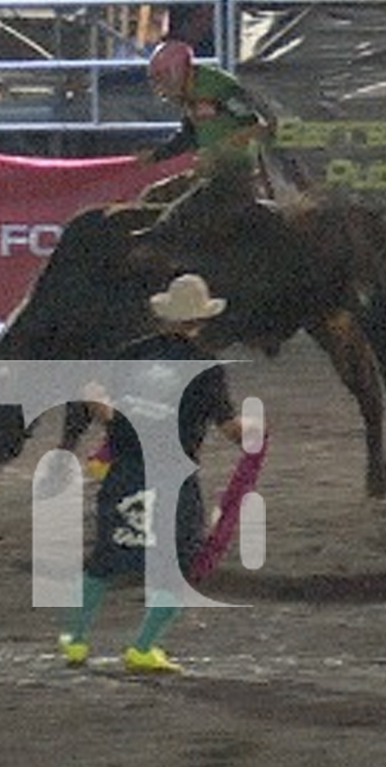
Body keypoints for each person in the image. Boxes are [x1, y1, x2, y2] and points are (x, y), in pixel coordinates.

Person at [58, 273, 246, 675]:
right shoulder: (206, 368)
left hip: (125, 470)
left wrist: (110, 416)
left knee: (105, 559)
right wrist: (256, 432)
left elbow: (94, 396)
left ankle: (74, 641)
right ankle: (142, 648)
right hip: (173, 477)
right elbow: (232, 431)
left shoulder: (131, 354)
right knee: (180, 561)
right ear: (200, 319)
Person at [140, 39, 283, 237]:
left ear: (175, 72)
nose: (160, 88)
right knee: (153, 196)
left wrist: (217, 153)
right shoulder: (189, 94)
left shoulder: (220, 88)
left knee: (183, 215)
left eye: (161, 80)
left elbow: (257, 125)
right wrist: (157, 155)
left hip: (236, 171)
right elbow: (189, 134)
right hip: (212, 170)